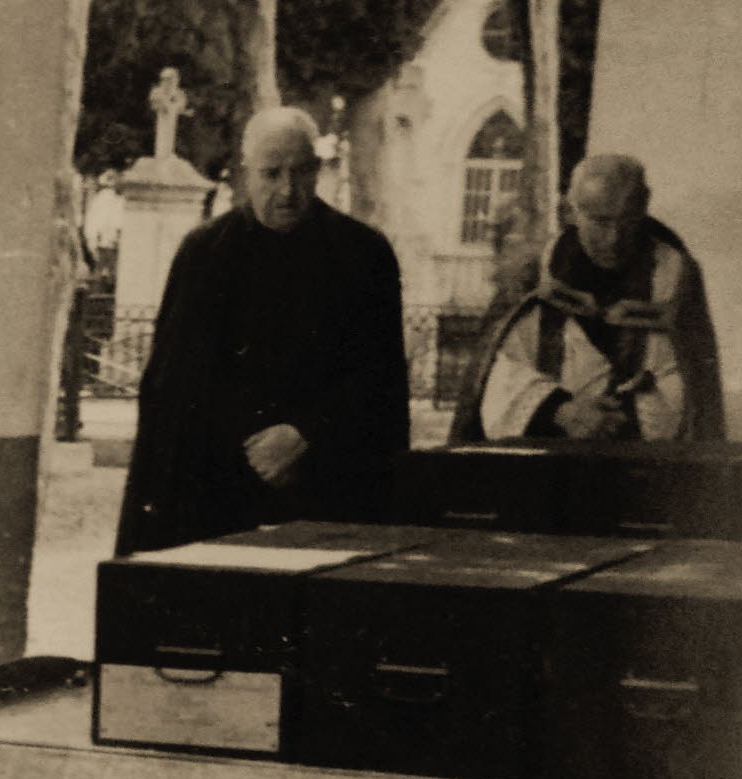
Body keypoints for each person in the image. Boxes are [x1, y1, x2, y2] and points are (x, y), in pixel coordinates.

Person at [116, 106, 408, 556]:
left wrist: (306, 434)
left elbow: (379, 379)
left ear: (318, 169)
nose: (287, 191)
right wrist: (256, 447)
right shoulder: (205, 254)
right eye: (271, 174)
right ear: (247, 173)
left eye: (301, 172)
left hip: (328, 485)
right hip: (220, 490)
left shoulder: (363, 254)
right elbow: (177, 385)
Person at [456, 152, 725, 443]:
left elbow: (695, 380)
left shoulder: (676, 277)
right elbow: (499, 370)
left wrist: (631, 414)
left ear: (644, 205)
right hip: (547, 458)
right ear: (571, 212)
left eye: (628, 220)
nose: (614, 238)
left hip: (645, 461)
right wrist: (559, 410)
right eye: (600, 221)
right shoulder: (532, 275)